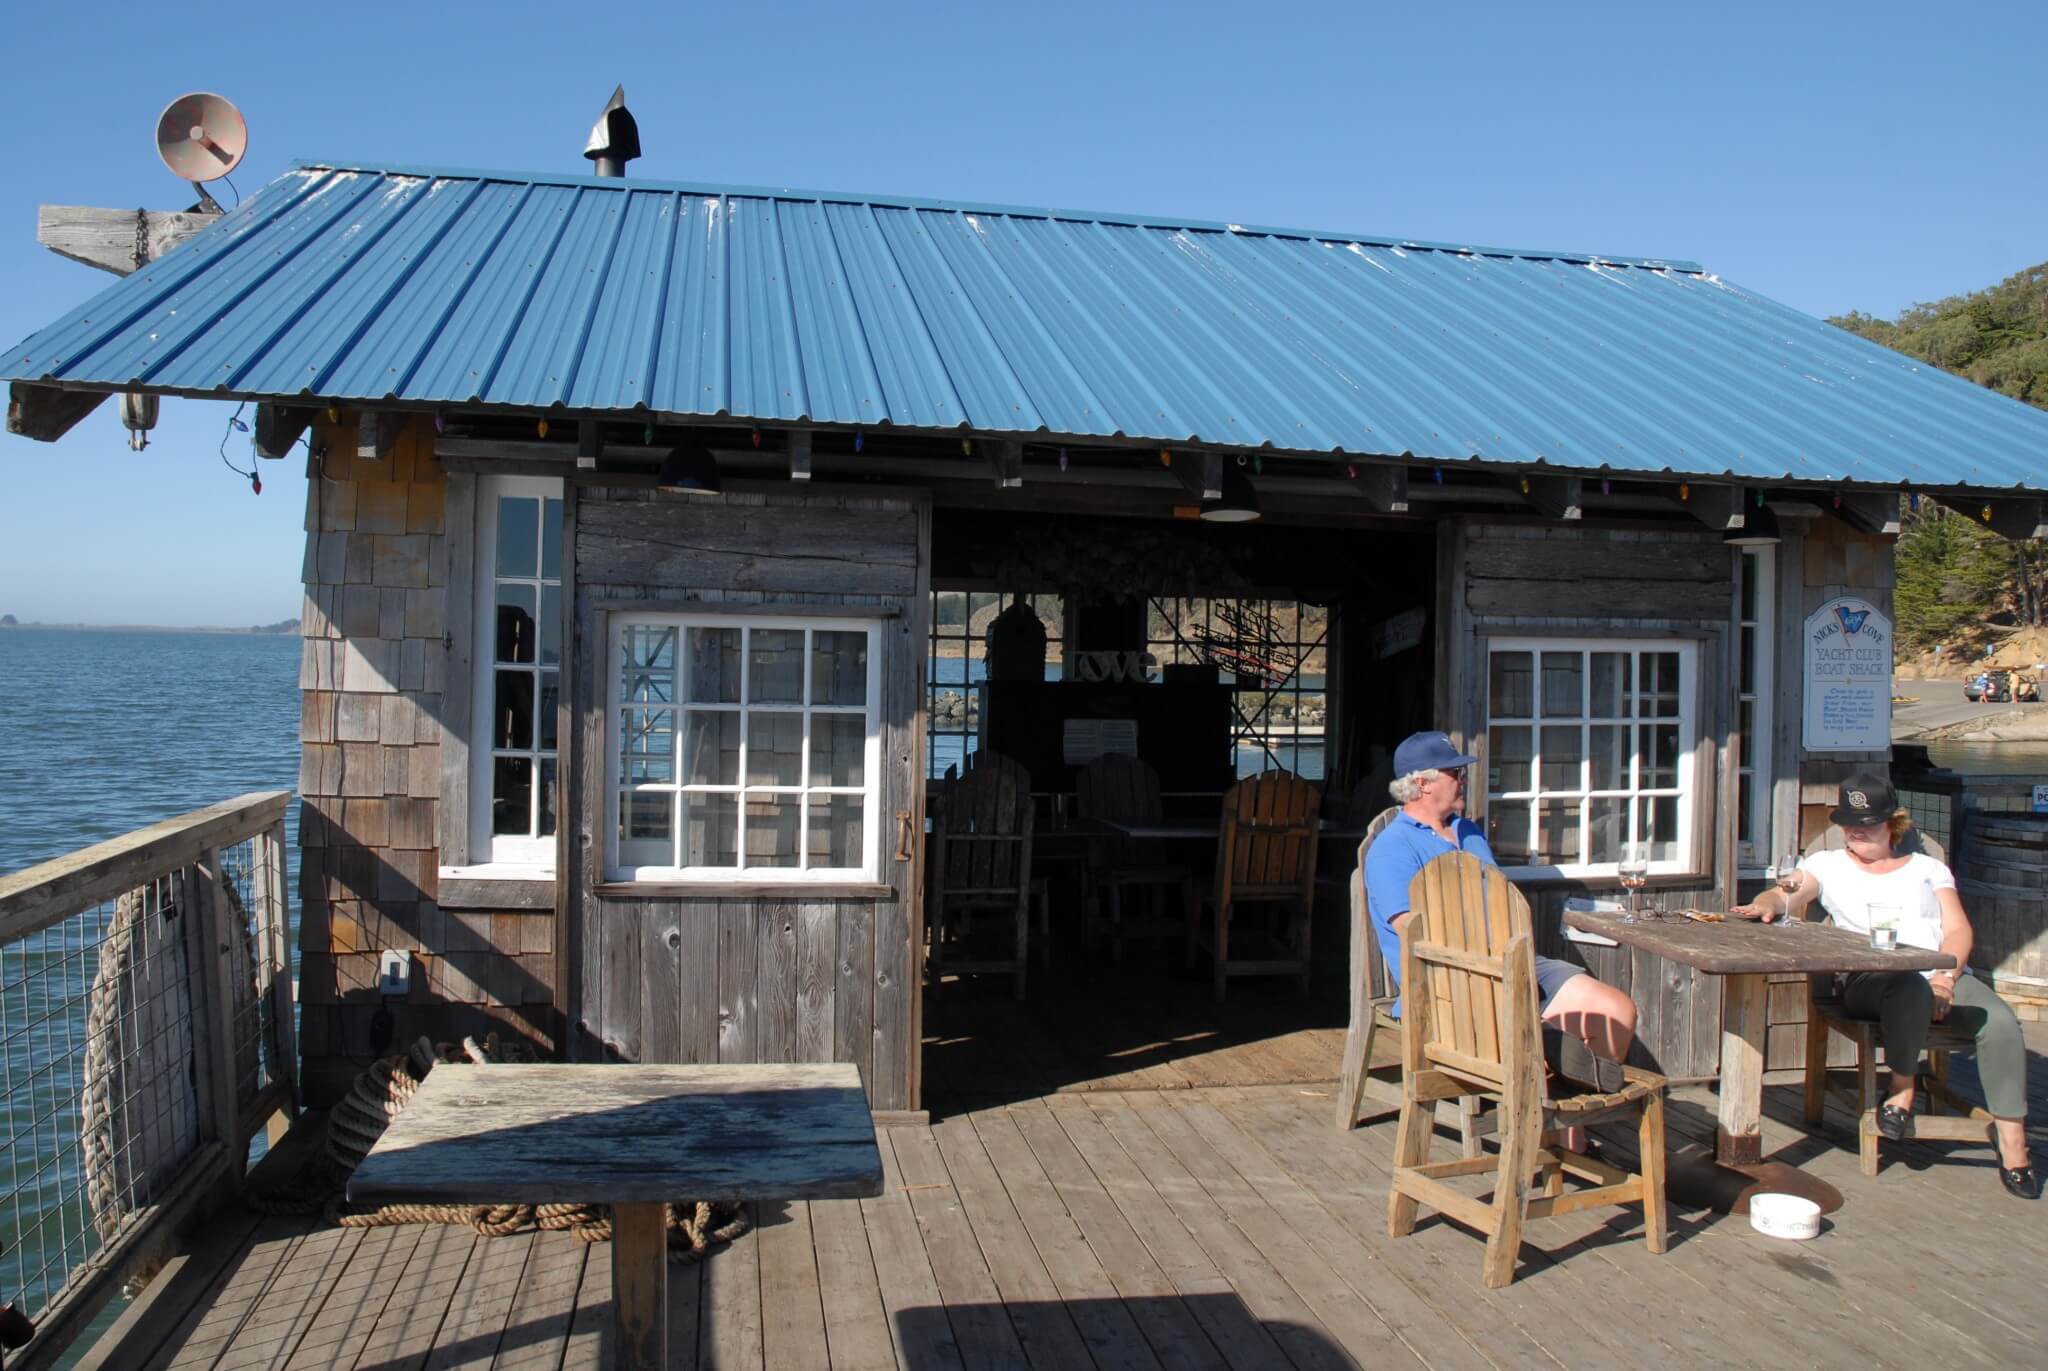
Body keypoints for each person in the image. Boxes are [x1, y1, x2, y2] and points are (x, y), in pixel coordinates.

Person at [1734, 773, 2038, 1200]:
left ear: (1893, 824)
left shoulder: (1930, 868)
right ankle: (1901, 1086)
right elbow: (1788, 893)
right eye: (1848, 822)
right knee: (1905, 988)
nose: (1856, 831)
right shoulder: (1827, 864)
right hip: (1869, 978)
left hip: (1938, 972)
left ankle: (2012, 1141)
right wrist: (1766, 903)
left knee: (2001, 1021)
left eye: (1868, 823)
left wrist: (1946, 981)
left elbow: (1957, 931)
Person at [1364, 730, 1638, 1073]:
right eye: (1455, 773)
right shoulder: (1393, 848)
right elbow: (1412, 932)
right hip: (1451, 980)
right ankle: (1555, 1108)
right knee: (1544, 1045)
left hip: (1515, 961)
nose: (1463, 780)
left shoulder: (1470, 832)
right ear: (1423, 784)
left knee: (1615, 1012)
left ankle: (1565, 1104)